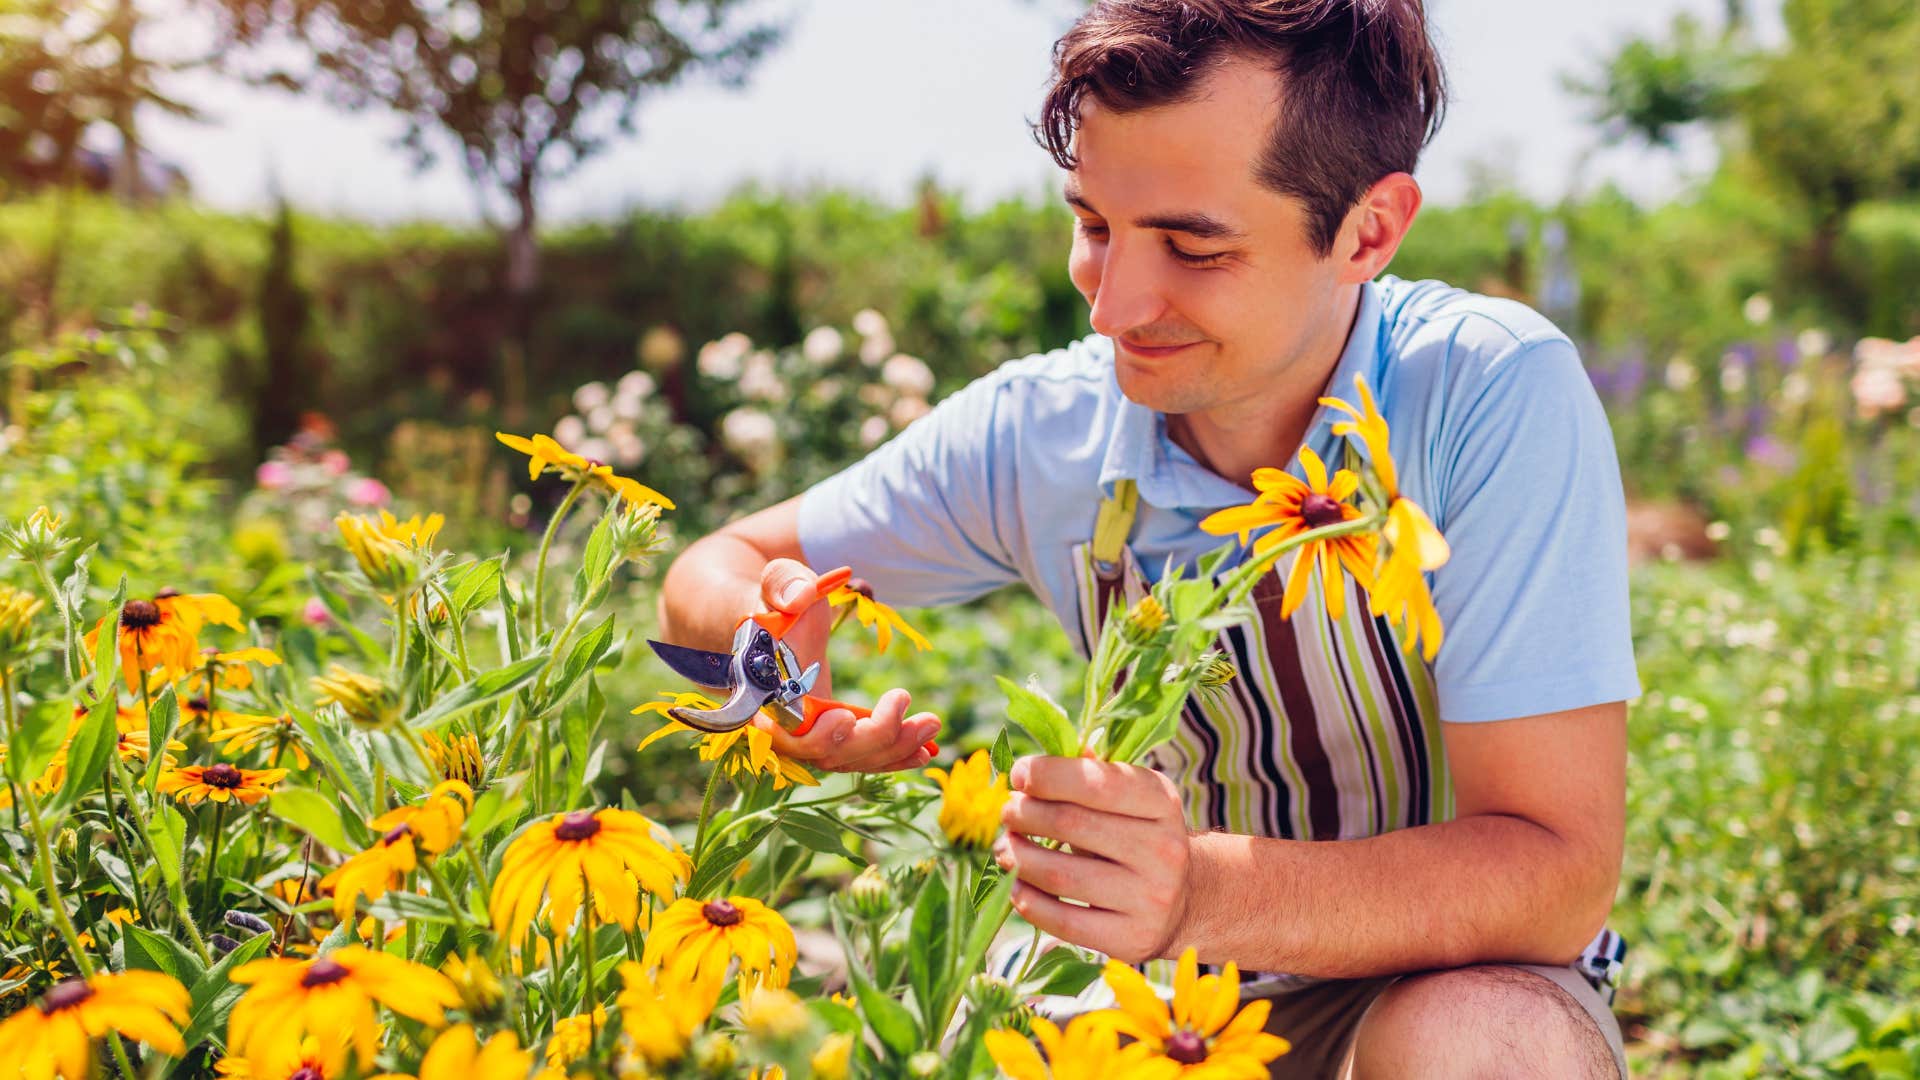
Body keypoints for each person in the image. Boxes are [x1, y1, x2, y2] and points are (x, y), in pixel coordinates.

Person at [657, 1, 1638, 1075]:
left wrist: (1206, 892)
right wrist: (775, 661)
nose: (1112, 308)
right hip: (1152, 1009)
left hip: (1441, 985)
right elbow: (717, 568)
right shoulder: (1045, 430)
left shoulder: (1485, 393)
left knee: (1486, 1047)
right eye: (1093, 225)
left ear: (1369, 230)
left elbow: (1555, 870)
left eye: (1192, 245)